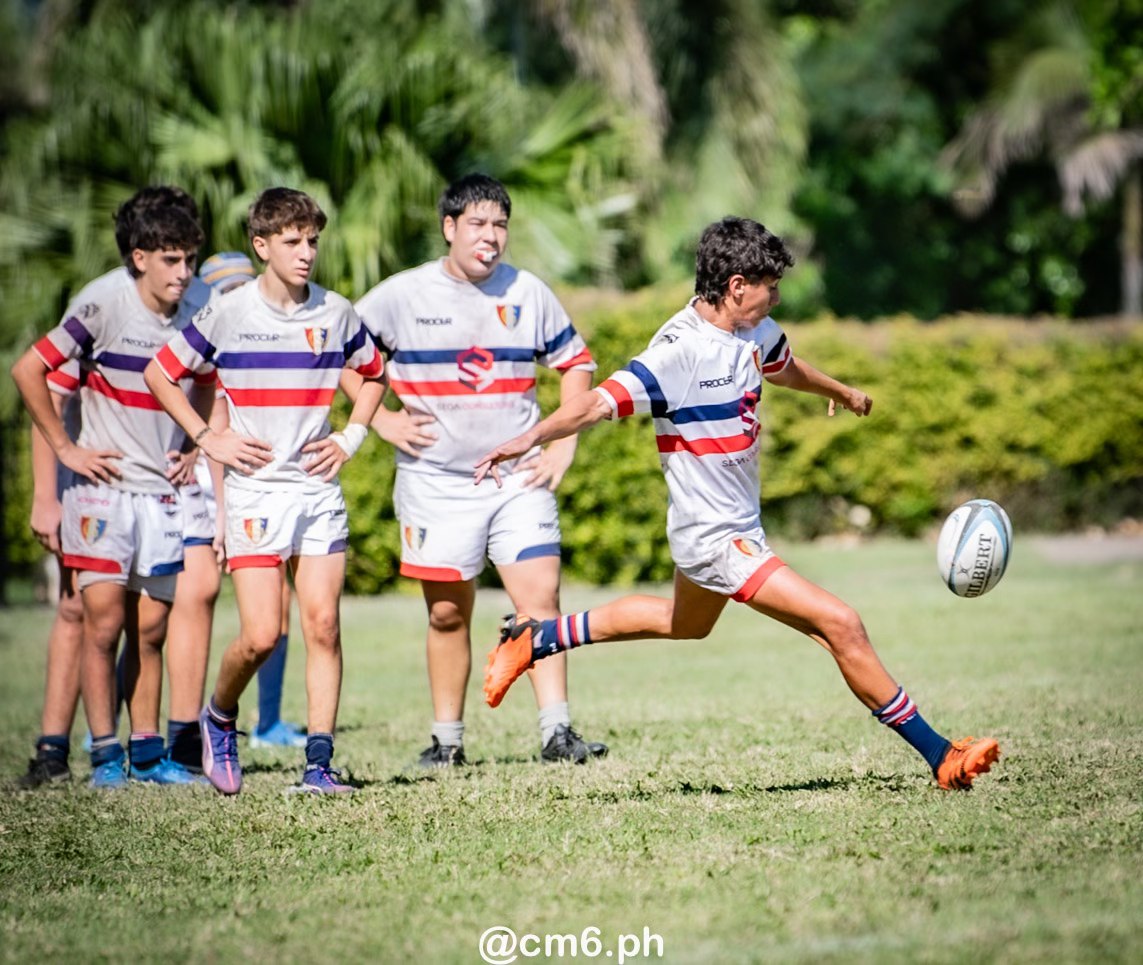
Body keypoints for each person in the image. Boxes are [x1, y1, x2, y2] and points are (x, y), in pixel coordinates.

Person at [476, 216, 1001, 791]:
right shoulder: (677, 352)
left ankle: (537, 638)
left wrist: (840, 390)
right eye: (769, 286)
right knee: (840, 624)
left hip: (732, 527)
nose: (776, 297)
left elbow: (782, 366)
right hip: (715, 537)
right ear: (736, 286)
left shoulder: (755, 329)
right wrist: (528, 438)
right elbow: (596, 404)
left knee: (684, 623)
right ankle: (941, 756)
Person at [348, 173, 607, 767]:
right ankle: (447, 742)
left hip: (516, 480)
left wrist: (562, 445)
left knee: (540, 597)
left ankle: (557, 732)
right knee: (445, 612)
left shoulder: (530, 293)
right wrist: (381, 422)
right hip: (434, 482)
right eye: (477, 224)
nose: (490, 236)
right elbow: (344, 354)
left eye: (499, 225)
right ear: (449, 228)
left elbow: (577, 364)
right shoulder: (402, 294)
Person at [144, 187, 386, 795]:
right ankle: (220, 716)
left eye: (312, 241)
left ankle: (318, 766)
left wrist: (353, 438)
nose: (306, 253)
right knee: (261, 635)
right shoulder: (230, 311)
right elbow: (161, 373)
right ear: (261, 246)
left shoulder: (336, 311)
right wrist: (206, 438)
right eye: (292, 242)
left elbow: (377, 374)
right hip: (254, 494)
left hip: (315, 492)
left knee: (324, 624)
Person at [11, 195, 213, 789]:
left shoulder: (198, 306)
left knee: (148, 629)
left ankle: (146, 755)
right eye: (172, 260)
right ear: (139, 257)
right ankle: (94, 754)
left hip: (160, 495)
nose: (184, 274)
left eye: (191, 260)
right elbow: (40, 380)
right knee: (95, 621)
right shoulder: (100, 303)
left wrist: (198, 443)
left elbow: (208, 382)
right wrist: (55, 477)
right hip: (100, 492)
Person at [194, 251, 306, 750]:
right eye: (229, 290)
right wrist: (222, 516)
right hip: (207, 490)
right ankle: (139, 729)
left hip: (250, 488)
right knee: (158, 613)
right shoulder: (212, 344)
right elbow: (215, 437)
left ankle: (268, 720)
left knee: (274, 611)